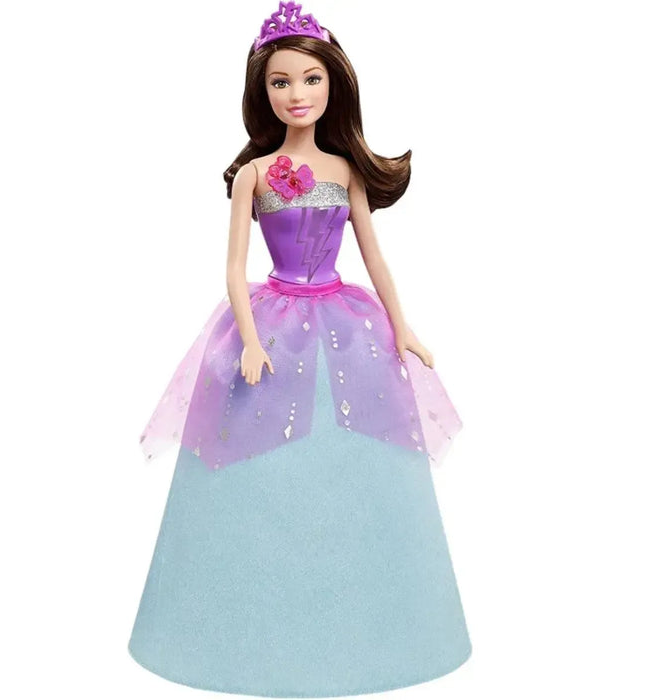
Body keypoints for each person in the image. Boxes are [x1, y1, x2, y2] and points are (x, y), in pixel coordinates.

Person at [129, 2, 472, 695]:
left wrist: (403, 327)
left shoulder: (345, 169)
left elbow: (374, 257)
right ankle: (241, 612)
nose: (296, 93)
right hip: (271, 321)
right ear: (263, 91)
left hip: (347, 325)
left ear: (333, 85)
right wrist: (250, 340)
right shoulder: (254, 174)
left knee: (365, 450)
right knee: (250, 450)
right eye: (281, 81)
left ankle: (372, 610)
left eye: (310, 79)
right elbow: (233, 270)